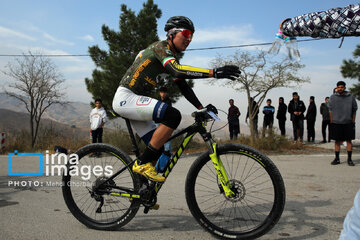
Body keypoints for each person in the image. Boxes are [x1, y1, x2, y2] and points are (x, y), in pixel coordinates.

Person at [112, 16, 240, 182]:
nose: (189, 39)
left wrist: (200, 107)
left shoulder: (169, 57)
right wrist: (213, 72)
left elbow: (183, 86)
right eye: (186, 34)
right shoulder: (160, 48)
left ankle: (140, 192)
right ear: (171, 34)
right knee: (173, 116)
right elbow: (177, 71)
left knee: (156, 149)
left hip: (135, 101)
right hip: (126, 98)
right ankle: (141, 164)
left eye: (192, 36)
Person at [329, 81, 357, 166]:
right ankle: (337, 159)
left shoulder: (351, 97)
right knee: (337, 141)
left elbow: (354, 109)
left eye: (342, 87)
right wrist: (331, 121)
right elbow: (330, 110)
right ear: (336, 88)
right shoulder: (333, 97)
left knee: (349, 141)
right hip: (336, 122)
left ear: (345, 88)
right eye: (338, 87)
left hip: (348, 122)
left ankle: (349, 159)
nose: (340, 88)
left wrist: (353, 121)